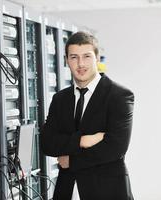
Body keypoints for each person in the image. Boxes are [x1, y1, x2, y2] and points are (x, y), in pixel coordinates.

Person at [40, 31, 134, 200]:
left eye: (87, 56)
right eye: (74, 57)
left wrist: (71, 160)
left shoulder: (119, 96)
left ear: (97, 58)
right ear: (67, 60)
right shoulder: (60, 99)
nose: (80, 64)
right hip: (66, 191)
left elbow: (115, 148)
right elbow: (47, 143)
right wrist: (82, 141)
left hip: (108, 192)